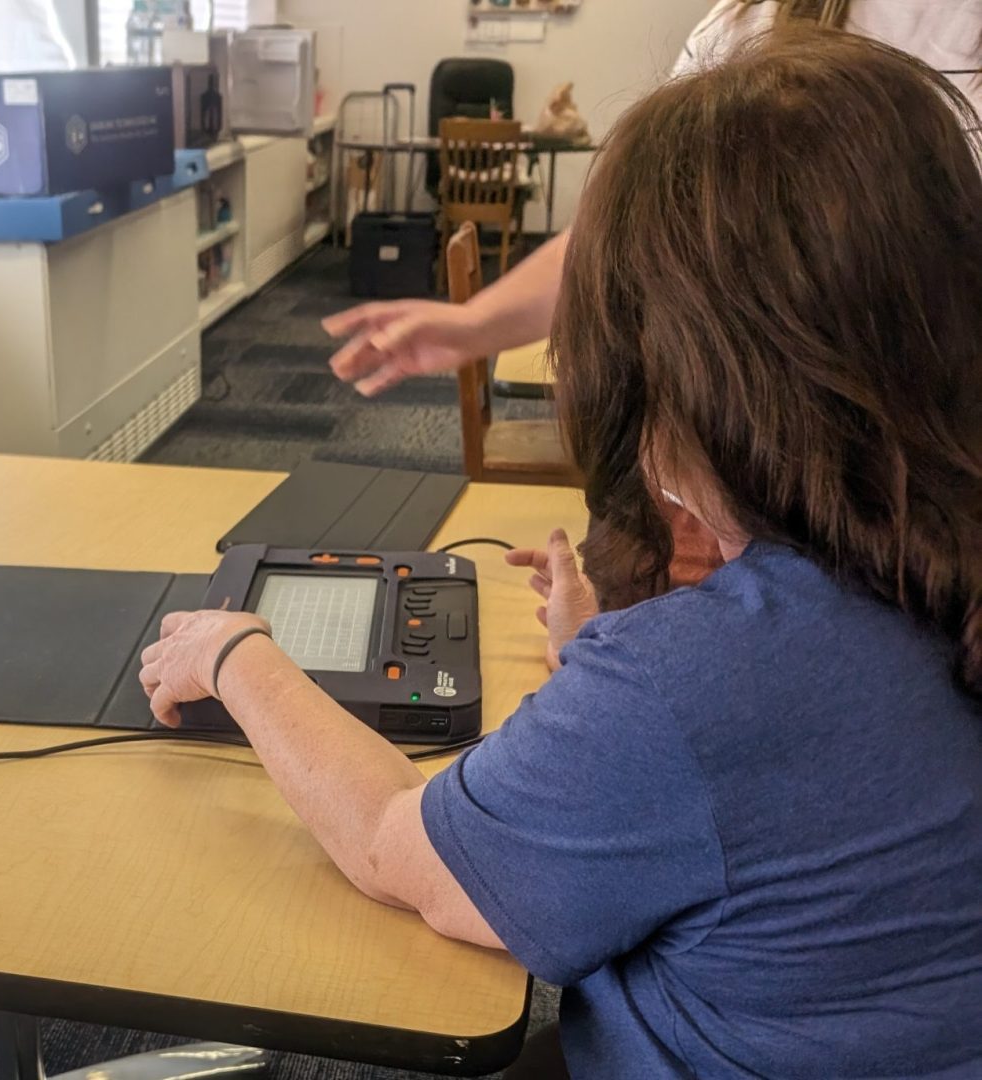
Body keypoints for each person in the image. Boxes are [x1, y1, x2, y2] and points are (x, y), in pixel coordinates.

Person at [142, 30, 982, 1080]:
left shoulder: (693, 686)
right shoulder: (904, 585)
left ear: (684, 378)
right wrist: (613, 660)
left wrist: (238, 655)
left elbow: (393, 849)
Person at [324, 0, 982, 606]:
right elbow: (626, 237)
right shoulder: (745, 23)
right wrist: (475, 323)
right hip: (706, 490)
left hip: (893, 505)